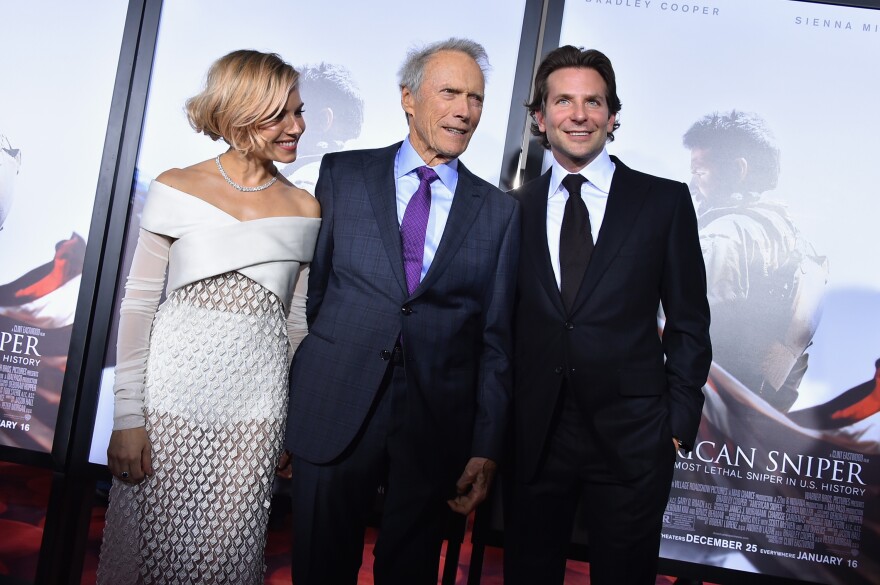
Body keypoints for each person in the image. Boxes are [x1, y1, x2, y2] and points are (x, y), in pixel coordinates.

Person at [285, 37, 519, 585]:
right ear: (408, 98)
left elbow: (496, 339)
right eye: (450, 93)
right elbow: (315, 295)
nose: (465, 111)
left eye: (476, 98)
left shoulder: (501, 213)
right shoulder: (343, 175)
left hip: (437, 425)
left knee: (410, 572)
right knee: (319, 567)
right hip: (335, 404)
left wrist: (485, 446)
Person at [96, 50, 320, 584]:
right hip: (169, 408)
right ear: (242, 114)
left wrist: (290, 420)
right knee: (147, 558)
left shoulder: (305, 207)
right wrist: (128, 416)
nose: (299, 126)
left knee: (225, 563)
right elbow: (139, 304)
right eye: (283, 114)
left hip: (255, 416)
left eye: (300, 111)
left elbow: (295, 326)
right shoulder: (176, 186)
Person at [503, 45, 711, 585]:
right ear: (540, 117)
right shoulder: (512, 210)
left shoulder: (662, 202)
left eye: (593, 102)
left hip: (635, 438)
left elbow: (689, 321)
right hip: (534, 437)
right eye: (564, 101)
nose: (579, 115)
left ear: (613, 115)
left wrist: (676, 424)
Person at [684, 110, 827, 412]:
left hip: (698, 414)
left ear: (738, 170)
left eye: (700, 171)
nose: (694, 185)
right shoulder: (801, 250)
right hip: (752, 424)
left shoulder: (726, 233)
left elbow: (687, 333)